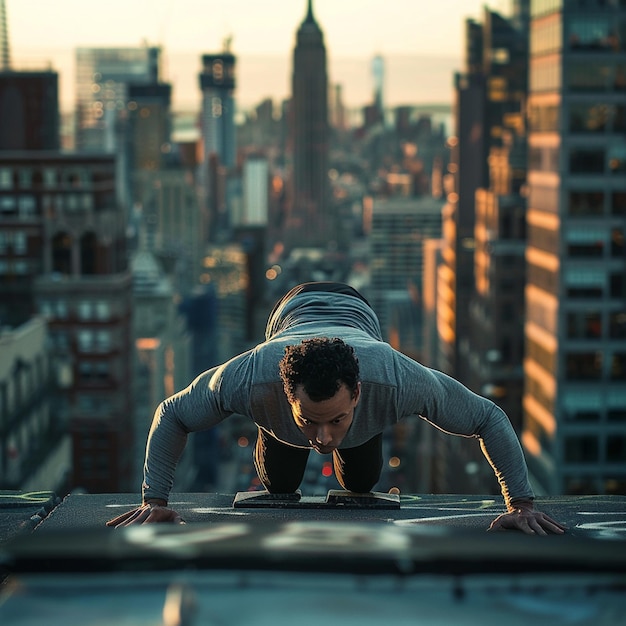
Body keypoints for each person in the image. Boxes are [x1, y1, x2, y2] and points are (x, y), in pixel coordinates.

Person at [107, 282, 566, 535]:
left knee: (362, 481)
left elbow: (488, 416)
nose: (323, 439)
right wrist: (155, 501)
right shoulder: (249, 378)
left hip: (358, 316)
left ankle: (343, 429)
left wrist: (520, 504)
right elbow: (172, 412)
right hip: (290, 313)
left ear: (360, 394)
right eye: (309, 420)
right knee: (281, 481)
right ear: (286, 396)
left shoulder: (396, 379)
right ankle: (281, 432)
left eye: (337, 419)